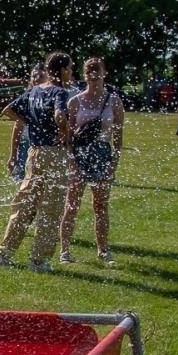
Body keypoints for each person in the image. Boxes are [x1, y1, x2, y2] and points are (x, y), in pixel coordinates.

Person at [0, 52, 72, 270]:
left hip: (33, 153)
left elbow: (7, 110)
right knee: (51, 208)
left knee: (25, 204)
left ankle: (5, 253)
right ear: (63, 70)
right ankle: (39, 260)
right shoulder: (60, 92)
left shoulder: (34, 90)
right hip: (54, 154)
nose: (71, 72)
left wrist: (30, 122)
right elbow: (59, 116)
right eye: (70, 68)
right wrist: (65, 132)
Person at [59, 57, 126, 266]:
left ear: (105, 73)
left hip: (102, 154)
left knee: (101, 205)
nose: (93, 74)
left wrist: (113, 161)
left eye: (97, 70)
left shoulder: (114, 101)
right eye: (89, 71)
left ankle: (103, 250)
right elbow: (67, 138)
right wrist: (71, 161)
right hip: (80, 155)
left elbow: (118, 138)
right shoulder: (75, 101)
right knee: (72, 204)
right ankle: (65, 250)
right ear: (84, 74)